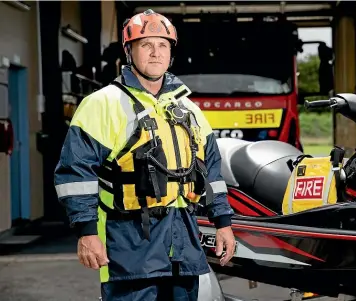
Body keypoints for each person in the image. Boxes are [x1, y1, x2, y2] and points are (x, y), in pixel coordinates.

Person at [54, 9, 236, 301]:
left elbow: (212, 173)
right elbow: (75, 173)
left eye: (163, 45)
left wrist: (223, 223)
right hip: (128, 248)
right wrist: (87, 232)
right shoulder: (102, 104)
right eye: (146, 44)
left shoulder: (190, 110)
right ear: (129, 51)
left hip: (184, 248)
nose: (156, 53)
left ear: (171, 53)